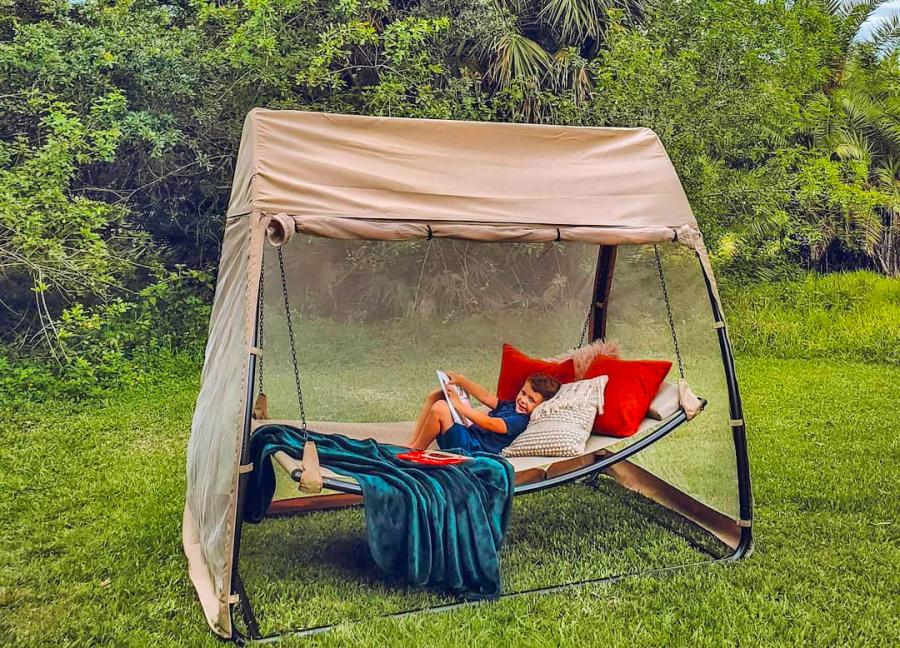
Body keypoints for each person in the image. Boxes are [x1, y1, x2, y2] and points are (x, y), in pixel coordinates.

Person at [405, 372, 561, 454]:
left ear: (541, 406)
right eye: (523, 393)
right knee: (437, 395)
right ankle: (412, 444)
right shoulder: (510, 406)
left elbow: (489, 423)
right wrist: (461, 381)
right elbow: (486, 396)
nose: (523, 400)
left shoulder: (520, 421)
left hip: (472, 449)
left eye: (531, 400)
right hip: (468, 436)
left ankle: (416, 450)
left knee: (440, 408)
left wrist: (458, 405)